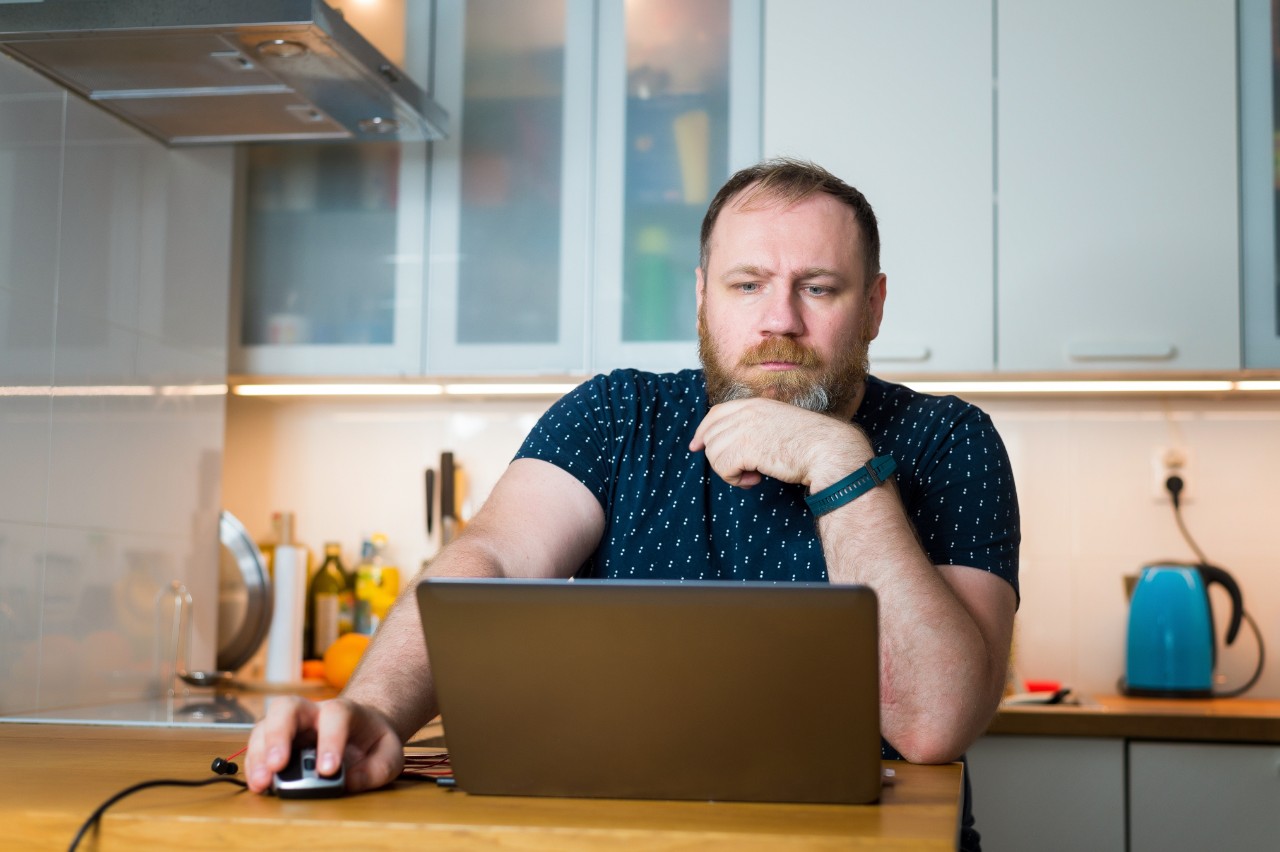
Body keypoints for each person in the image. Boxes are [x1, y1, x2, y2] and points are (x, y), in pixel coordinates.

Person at [245, 158, 1019, 847]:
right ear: (702, 297)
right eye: (747, 285)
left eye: (818, 288)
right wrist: (376, 710)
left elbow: (931, 724)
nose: (779, 320)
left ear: (874, 306)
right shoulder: (618, 416)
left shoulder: (951, 441)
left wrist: (838, 461)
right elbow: (494, 561)